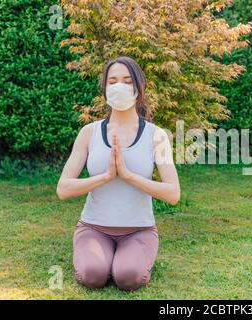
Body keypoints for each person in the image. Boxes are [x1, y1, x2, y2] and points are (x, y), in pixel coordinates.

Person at [56, 56, 180, 291]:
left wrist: (128, 175)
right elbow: (63, 189)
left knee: (128, 277)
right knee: (93, 276)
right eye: (112, 81)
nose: (119, 86)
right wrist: (105, 176)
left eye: (126, 80)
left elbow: (173, 194)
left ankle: (129, 257)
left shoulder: (157, 136)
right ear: (104, 89)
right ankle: (100, 257)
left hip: (139, 230)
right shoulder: (88, 132)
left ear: (139, 88)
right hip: (94, 228)